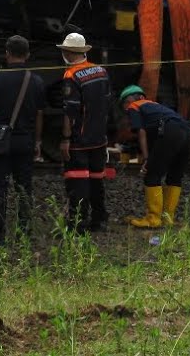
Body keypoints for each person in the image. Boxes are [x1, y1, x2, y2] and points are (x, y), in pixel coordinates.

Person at [0, 35, 46, 246]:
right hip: (24, 140)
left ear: (7, 54)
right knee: (24, 188)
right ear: (28, 55)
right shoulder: (36, 81)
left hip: (0, 141)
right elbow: (39, 115)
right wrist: (37, 141)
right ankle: (24, 234)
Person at [58, 32, 110, 233]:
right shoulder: (101, 71)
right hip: (99, 138)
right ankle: (99, 220)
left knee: (78, 181)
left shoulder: (71, 75)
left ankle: (77, 225)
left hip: (80, 140)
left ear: (69, 52)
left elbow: (70, 111)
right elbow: (107, 102)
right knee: (97, 180)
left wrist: (65, 139)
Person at [119, 85, 190, 228]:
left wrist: (147, 159)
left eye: (125, 103)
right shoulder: (157, 108)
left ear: (139, 98)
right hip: (187, 133)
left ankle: (153, 219)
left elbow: (141, 132)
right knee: (174, 176)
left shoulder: (135, 106)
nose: (126, 109)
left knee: (152, 175)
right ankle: (167, 219)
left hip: (170, 131)